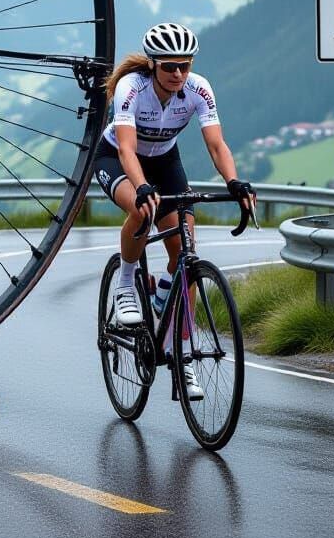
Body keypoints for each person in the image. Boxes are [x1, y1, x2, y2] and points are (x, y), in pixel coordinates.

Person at [93, 22, 256, 399]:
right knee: (141, 209)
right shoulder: (130, 88)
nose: (178, 73)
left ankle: (181, 353)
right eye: (169, 66)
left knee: (186, 255)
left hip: (166, 163)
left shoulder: (198, 89)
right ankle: (125, 287)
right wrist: (142, 187)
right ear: (152, 65)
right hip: (118, 159)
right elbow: (127, 150)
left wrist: (234, 182)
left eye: (184, 65)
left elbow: (217, 146)